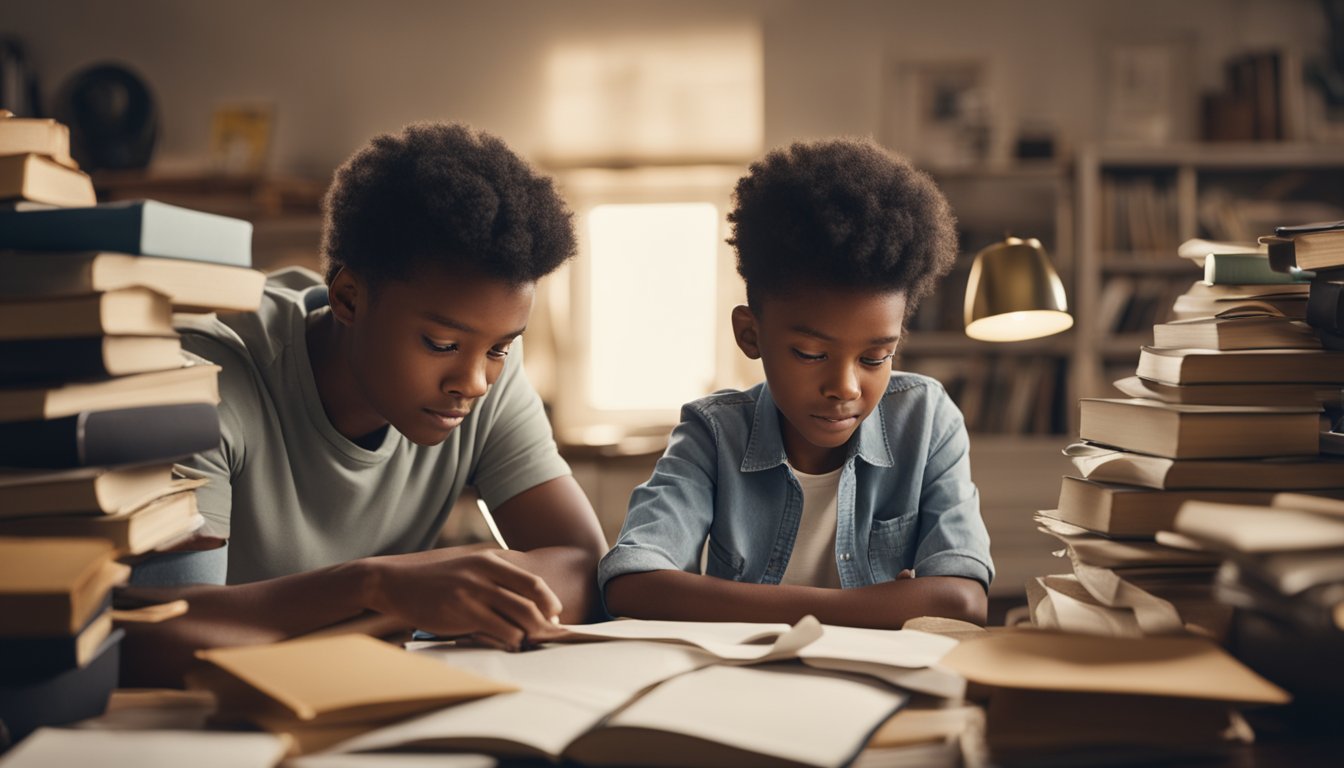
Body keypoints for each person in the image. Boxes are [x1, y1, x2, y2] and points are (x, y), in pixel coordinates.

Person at [121, 123, 607, 685]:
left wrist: (402, 595)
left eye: (500, 347)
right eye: (441, 344)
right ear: (349, 297)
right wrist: (378, 589)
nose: (473, 381)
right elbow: (158, 632)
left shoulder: (488, 379)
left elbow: (586, 569)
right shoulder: (205, 379)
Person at [599, 137, 993, 628]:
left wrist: (724, 603)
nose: (845, 387)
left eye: (876, 357)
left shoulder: (927, 419)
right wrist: (889, 605)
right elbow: (632, 584)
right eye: (811, 354)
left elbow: (963, 601)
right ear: (750, 334)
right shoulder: (714, 433)